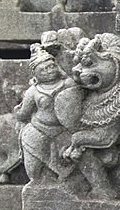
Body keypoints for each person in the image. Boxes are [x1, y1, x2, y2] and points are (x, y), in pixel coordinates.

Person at [14, 48, 79, 183]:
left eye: (51, 66)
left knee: (75, 159)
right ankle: (37, 182)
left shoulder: (69, 84)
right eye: (43, 69)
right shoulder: (33, 91)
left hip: (64, 130)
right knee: (33, 168)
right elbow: (24, 113)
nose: (49, 71)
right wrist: (17, 110)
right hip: (39, 128)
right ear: (35, 75)